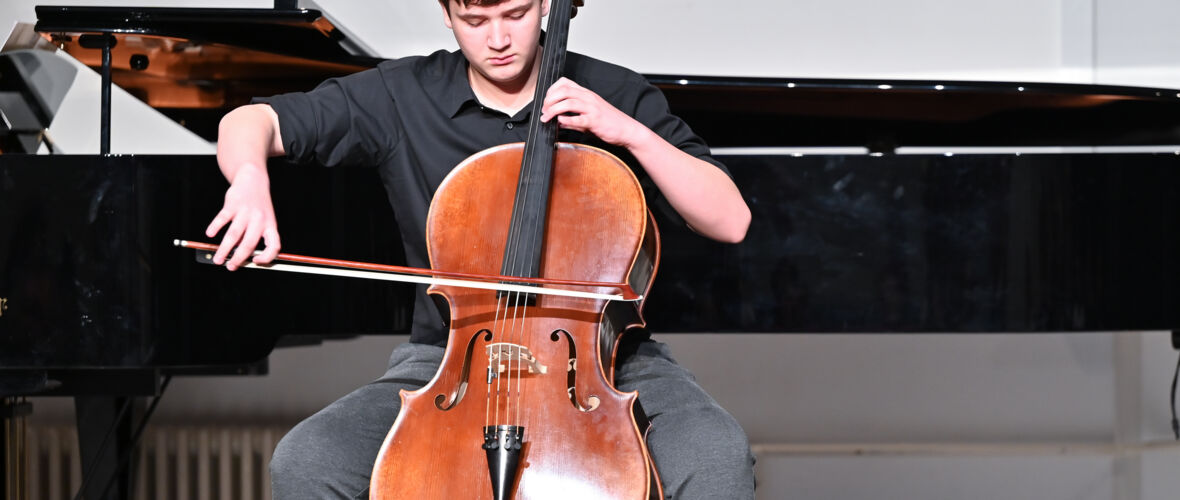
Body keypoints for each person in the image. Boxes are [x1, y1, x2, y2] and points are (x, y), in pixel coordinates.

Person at [206, 0, 754, 498]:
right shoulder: (403, 94)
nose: (497, 39)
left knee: (715, 456)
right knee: (307, 460)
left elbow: (730, 220)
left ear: (546, 5)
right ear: (446, 14)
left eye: (515, 15)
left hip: (607, 362)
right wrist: (250, 178)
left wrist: (628, 132)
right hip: (449, 362)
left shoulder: (614, 92)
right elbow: (250, 120)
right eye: (475, 21)